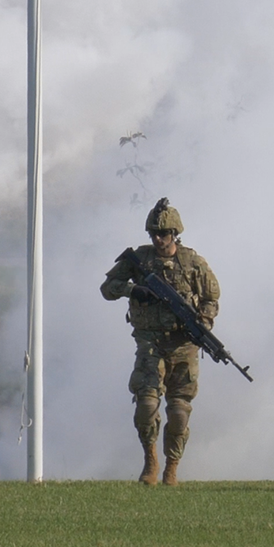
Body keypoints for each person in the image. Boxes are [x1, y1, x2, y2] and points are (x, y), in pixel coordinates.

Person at [101, 198, 220, 486]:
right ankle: (150, 460)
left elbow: (211, 299)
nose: (158, 239)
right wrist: (134, 290)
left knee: (179, 409)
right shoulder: (140, 260)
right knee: (146, 402)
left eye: (163, 233)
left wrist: (202, 324)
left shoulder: (192, 262)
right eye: (153, 233)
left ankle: (172, 468)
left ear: (175, 233)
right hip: (149, 342)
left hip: (183, 345)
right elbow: (107, 288)